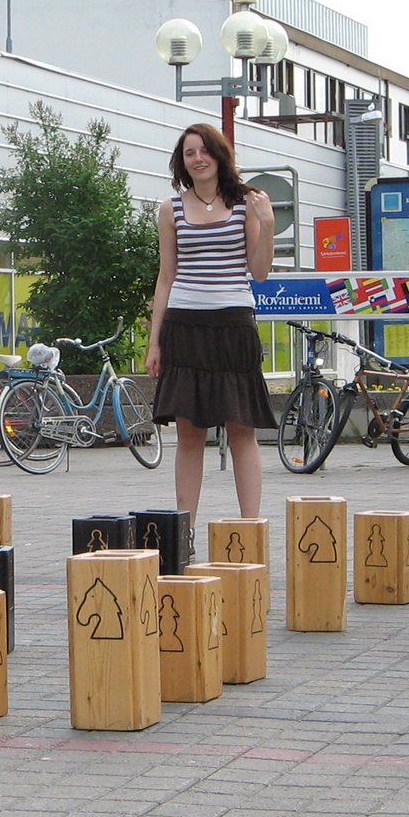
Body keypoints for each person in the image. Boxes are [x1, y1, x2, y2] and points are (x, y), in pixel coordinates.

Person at [146, 123, 276, 528]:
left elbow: (259, 272)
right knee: (189, 435)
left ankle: (250, 527)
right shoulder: (171, 208)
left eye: (204, 151)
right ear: (181, 161)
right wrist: (154, 344)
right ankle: (184, 532)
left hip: (233, 324)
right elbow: (166, 277)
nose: (198, 159)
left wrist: (267, 224)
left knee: (241, 429)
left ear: (219, 156)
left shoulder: (245, 204)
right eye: (189, 153)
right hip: (184, 327)